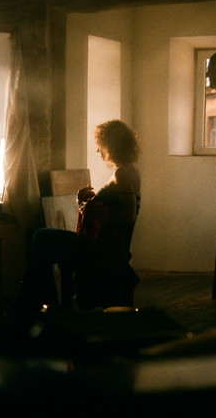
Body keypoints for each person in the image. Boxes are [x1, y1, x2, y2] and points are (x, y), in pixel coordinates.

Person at [9, 119, 141, 313]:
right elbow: (116, 209)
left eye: (100, 145)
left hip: (101, 251)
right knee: (43, 240)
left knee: (42, 237)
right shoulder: (131, 171)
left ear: (111, 145)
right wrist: (88, 202)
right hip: (104, 247)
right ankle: (36, 302)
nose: (98, 150)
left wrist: (89, 206)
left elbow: (128, 216)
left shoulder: (122, 174)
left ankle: (28, 304)